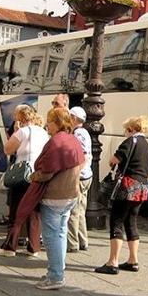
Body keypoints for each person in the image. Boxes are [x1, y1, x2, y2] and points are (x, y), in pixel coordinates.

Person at [16, 108, 84, 290]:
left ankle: (55, 276)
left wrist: (33, 176)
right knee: (60, 233)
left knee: (51, 236)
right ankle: (58, 271)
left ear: (57, 123)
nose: (47, 125)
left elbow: (47, 171)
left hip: (55, 196)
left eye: (50, 121)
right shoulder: (73, 139)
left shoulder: (56, 142)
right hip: (71, 194)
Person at [94, 115, 148, 275]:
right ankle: (133, 260)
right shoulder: (147, 145)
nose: (125, 133)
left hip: (127, 186)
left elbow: (114, 160)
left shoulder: (130, 142)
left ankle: (112, 262)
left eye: (126, 130)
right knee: (131, 221)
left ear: (131, 129)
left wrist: (114, 163)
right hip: (142, 188)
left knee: (116, 220)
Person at [0, 105, 49, 258]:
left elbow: (7, 149)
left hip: (22, 175)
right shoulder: (43, 132)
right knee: (33, 211)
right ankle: (34, 247)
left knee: (16, 209)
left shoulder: (23, 131)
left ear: (21, 118)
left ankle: (10, 247)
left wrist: (16, 130)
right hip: (37, 175)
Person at [66, 106, 92, 253]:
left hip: (80, 176)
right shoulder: (84, 132)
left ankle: (72, 243)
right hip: (87, 175)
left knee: (73, 211)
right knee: (81, 210)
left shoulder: (77, 134)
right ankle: (83, 240)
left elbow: (79, 156)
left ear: (74, 119)